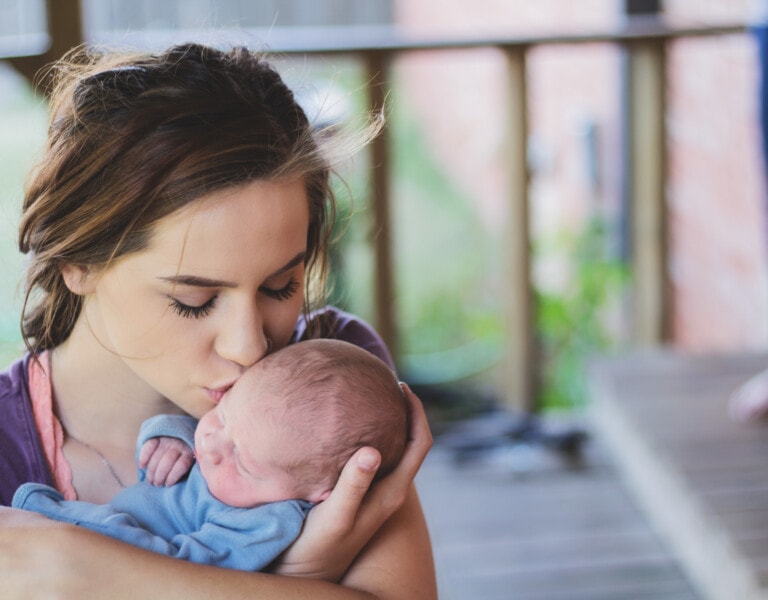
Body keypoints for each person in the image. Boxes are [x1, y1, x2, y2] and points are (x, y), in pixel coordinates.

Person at [0, 42, 436, 599]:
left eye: (281, 287)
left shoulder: (333, 371)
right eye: (194, 298)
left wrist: (74, 567)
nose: (249, 347)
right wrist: (303, 579)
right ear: (77, 262)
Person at [13, 339, 409, 572]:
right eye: (221, 416)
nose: (210, 445)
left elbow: (180, 567)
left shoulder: (265, 522)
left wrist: (72, 524)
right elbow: (181, 433)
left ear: (321, 492)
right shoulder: (240, 447)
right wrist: (170, 437)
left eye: (241, 459)